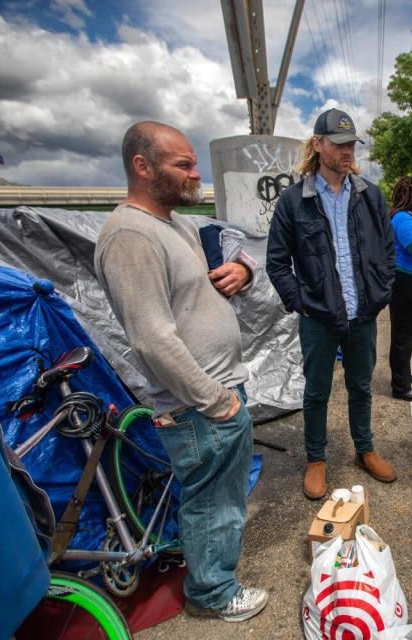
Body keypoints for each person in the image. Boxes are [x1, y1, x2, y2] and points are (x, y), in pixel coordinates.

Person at [94, 121, 267, 623]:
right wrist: (217, 400)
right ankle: (213, 594)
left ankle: (210, 578)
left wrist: (245, 271)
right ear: (142, 167)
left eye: (195, 163)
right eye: (184, 165)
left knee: (218, 497)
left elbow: (217, 275)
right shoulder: (129, 235)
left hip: (213, 396)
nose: (197, 174)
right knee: (213, 503)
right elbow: (151, 338)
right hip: (199, 406)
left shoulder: (177, 225)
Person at [266, 108, 397, 500]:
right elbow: (277, 261)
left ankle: (365, 448)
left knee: (361, 385)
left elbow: (387, 250)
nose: (347, 151)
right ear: (318, 145)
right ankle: (316, 460)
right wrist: (300, 302)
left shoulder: (370, 195)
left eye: (351, 144)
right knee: (317, 391)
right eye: (338, 144)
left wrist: (381, 291)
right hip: (318, 317)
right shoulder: (294, 200)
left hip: (363, 314)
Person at [388, 175, 412, 402]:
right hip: (405, 282)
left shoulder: (404, 217)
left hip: (410, 281)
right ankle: (400, 387)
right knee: (402, 335)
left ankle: (401, 376)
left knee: (405, 333)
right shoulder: (403, 218)